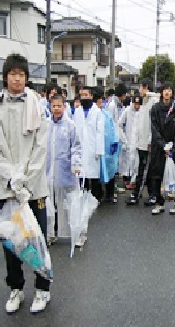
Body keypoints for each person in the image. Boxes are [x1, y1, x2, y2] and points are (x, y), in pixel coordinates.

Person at [0, 53, 52, 314]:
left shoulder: (37, 106)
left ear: (26, 78)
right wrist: (12, 176)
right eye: (13, 74)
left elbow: (41, 146)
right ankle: (16, 288)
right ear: (5, 77)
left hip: (35, 189)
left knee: (38, 239)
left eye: (21, 75)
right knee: (11, 241)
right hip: (8, 187)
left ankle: (43, 288)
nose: (17, 79)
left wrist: (25, 177)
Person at [45, 93, 82, 247]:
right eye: (54, 106)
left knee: (70, 204)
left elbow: (76, 147)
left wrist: (75, 164)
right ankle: (50, 234)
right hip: (49, 172)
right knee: (48, 205)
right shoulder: (46, 125)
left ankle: (78, 234)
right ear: (50, 107)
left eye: (59, 105)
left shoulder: (70, 125)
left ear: (64, 106)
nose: (57, 109)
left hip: (66, 171)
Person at [72, 86, 105, 237]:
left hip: (92, 149)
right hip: (80, 149)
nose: (84, 97)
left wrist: (99, 151)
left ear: (91, 96)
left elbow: (100, 132)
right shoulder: (77, 112)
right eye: (82, 95)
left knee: (93, 177)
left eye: (86, 95)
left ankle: (95, 198)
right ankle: (82, 200)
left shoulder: (97, 112)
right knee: (81, 178)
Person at [148, 83, 175, 215]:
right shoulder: (155, 109)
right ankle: (159, 202)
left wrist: (173, 147)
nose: (167, 92)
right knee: (157, 175)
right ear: (161, 92)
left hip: (173, 148)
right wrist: (162, 145)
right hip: (159, 148)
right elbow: (154, 129)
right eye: (165, 90)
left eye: (169, 90)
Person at [126, 79, 160, 206]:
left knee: (149, 170)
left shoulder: (153, 102)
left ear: (145, 87)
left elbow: (154, 124)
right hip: (140, 142)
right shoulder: (142, 103)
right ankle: (138, 194)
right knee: (142, 168)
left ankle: (150, 195)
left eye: (140, 87)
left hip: (149, 143)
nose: (139, 90)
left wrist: (151, 139)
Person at [117, 95, 142, 191]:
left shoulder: (142, 112)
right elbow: (119, 124)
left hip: (138, 142)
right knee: (126, 163)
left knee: (136, 163)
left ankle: (133, 181)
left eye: (138, 104)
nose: (137, 106)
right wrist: (123, 139)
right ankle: (127, 180)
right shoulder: (127, 111)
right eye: (135, 104)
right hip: (128, 141)